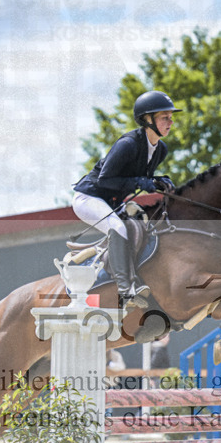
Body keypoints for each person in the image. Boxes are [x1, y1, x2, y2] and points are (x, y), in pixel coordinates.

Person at [72, 90, 181, 309]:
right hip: (89, 197)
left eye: (171, 117)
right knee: (117, 227)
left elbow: (140, 177)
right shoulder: (128, 144)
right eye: (164, 117)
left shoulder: (160, 149)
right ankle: (126, 289)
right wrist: (139, 182)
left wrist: (158, 181)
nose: (170, 122)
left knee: (142, 228)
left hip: (112, 202)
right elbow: (105, 180)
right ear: (147, 119)